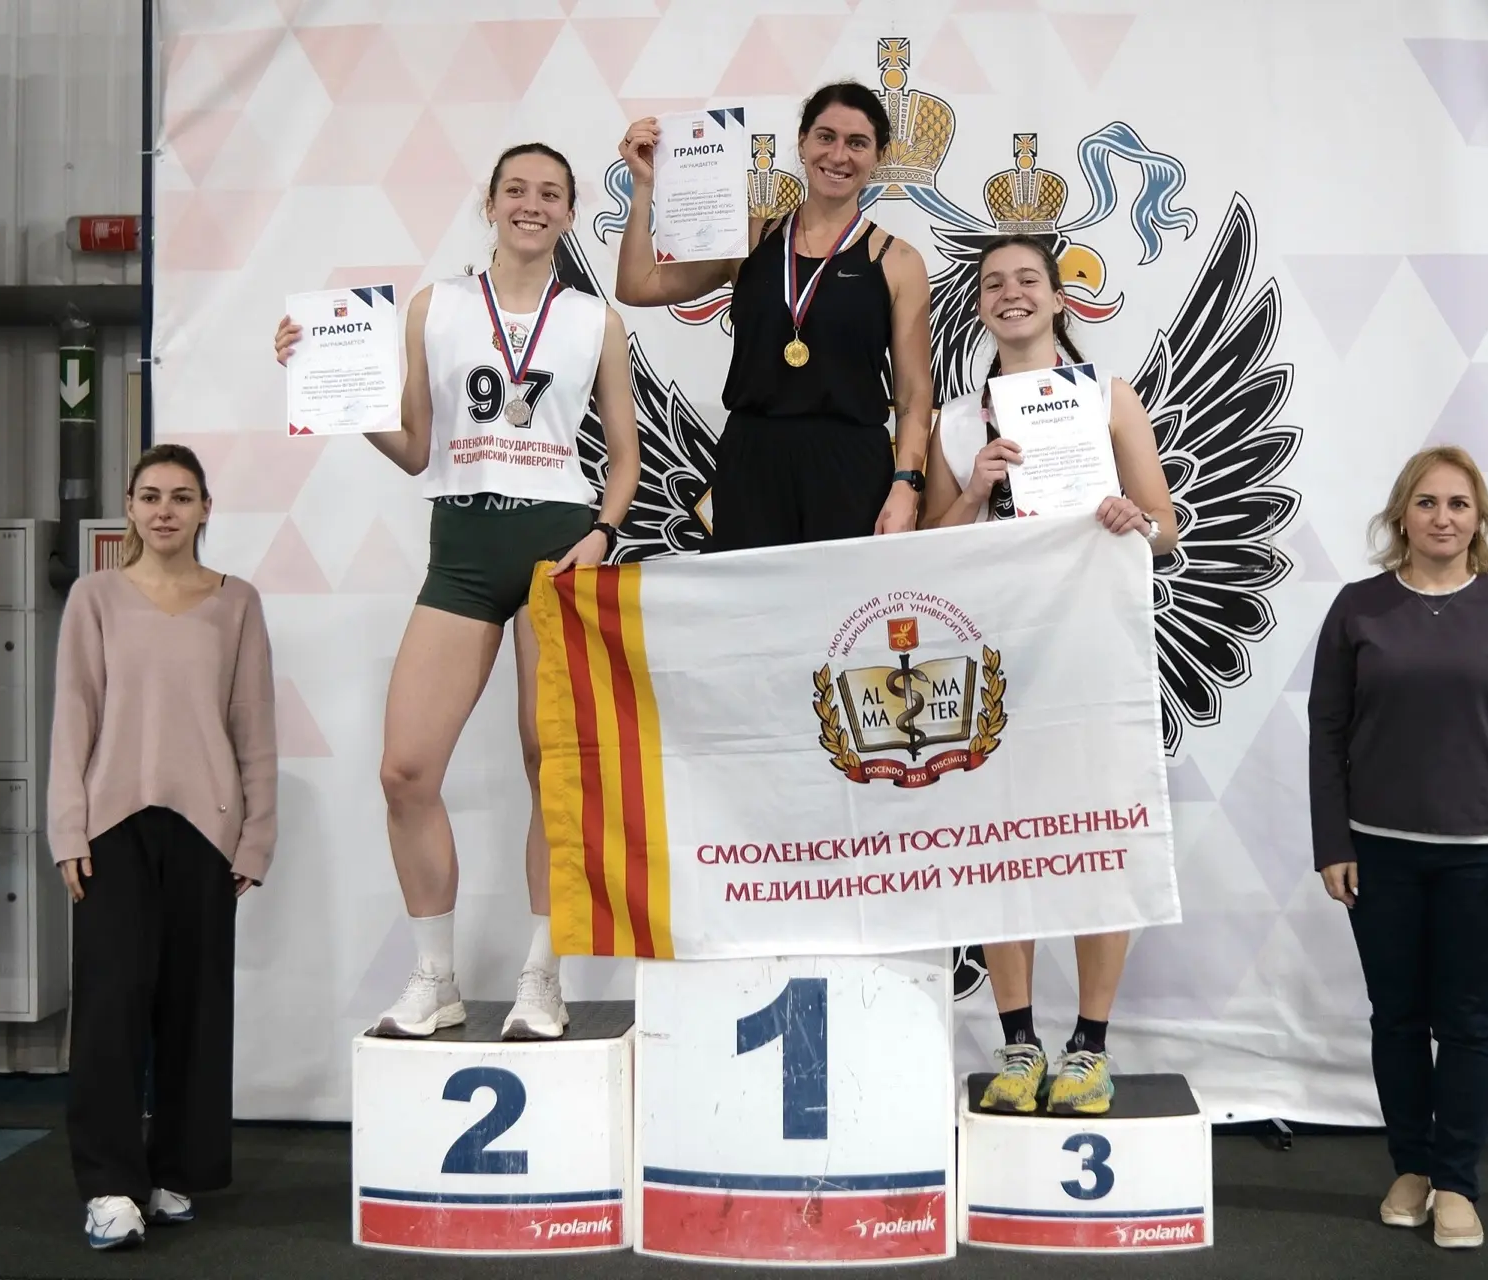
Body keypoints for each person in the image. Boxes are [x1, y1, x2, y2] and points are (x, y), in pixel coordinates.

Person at [273, 143, 641, 1041]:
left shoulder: (594, 319)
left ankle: (543, 976)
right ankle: (435, 977)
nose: (531, 204)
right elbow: (413, 448)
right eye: (516, 189)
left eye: (550, 194)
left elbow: (626, 462)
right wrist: (322, 382)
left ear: (568, 212)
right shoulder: (435, 308)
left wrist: (601, 534)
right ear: (490, 202)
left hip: (557, 549)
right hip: (464, 548)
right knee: (405, 771)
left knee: (549, 766)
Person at [923, 233, 1178, 1115]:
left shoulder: (1108, 397)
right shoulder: (957, 421)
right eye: (994, 283)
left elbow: (1166, 527)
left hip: (1092, 643)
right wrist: (975, 487)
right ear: (979, 306)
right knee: (1002, 842)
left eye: (1028, 279)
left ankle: (1090, 1048)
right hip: (997, 653)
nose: (1012, 293)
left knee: (1101, 834)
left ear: (1059, 299)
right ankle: (1019, 1044)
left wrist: (1132, 518)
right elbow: (928, 549)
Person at [1307, 445, 1488, 1250]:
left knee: (1468, 1023)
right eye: (1426, 503)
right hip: (1377, 854)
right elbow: (1326, 734)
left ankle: (1456, 1182)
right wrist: (1331, 840)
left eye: (1457, 504)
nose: (1442, 518)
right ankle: (1411, 1168)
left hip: (1482, 859)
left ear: (1479, 519)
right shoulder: (1359, 608)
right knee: (1397, 1019)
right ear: (1401, 516)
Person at [47, 443, 277, 1250]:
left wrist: (257, 836)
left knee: (194, 1006)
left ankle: (175, 1169)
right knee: (111, 1007)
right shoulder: (94, 598)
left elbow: (254, 727)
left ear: (206, 508)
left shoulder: (237, 602)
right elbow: (73, 716)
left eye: (182, 496)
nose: (165, 510)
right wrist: (67, 828)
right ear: (130, 507)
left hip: (208, 830)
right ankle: (110, 1186)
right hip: (110, 827)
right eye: (150, 496)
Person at [614, 82, 932, 549]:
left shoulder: (898, 260)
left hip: (850, 466)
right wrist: (643, 187)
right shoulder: (746, 240)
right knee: (751, 598)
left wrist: (907, 483)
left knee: (842, 599)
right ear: (802, 143)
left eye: (857, 142)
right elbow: (636, 285)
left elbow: (913, 394)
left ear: (878, 157)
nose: (838, 155)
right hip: (752, 461)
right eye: (825, 137)